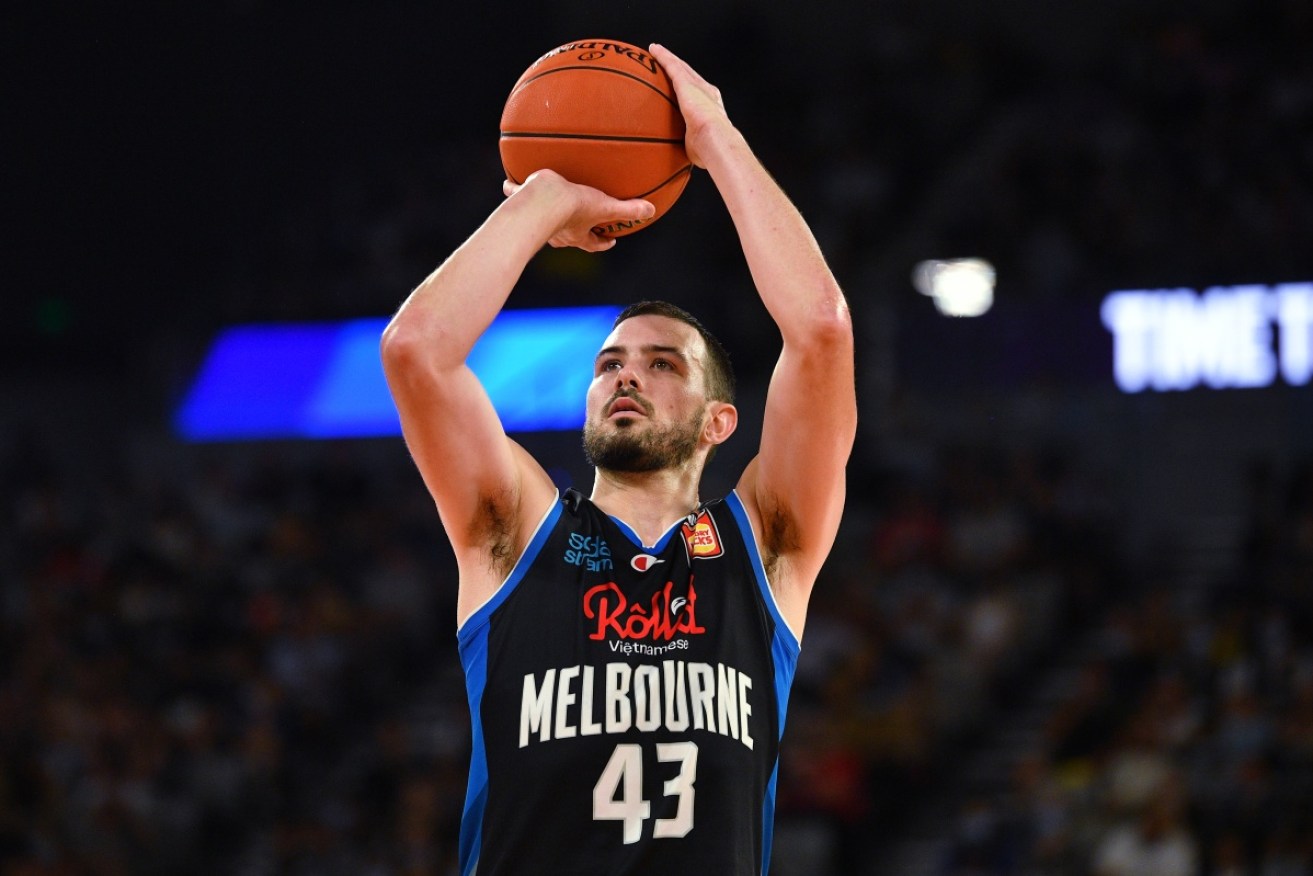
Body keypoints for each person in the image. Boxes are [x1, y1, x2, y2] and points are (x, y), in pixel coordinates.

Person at [381, 42, 856, 876]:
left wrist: (714, 138)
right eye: (608, 365)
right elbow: (417, 350)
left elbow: (819, 333)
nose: (625, 374)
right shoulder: (513, 529)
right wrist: (541, 202)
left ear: (719, 423)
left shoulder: (767, 544)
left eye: (662, 363)